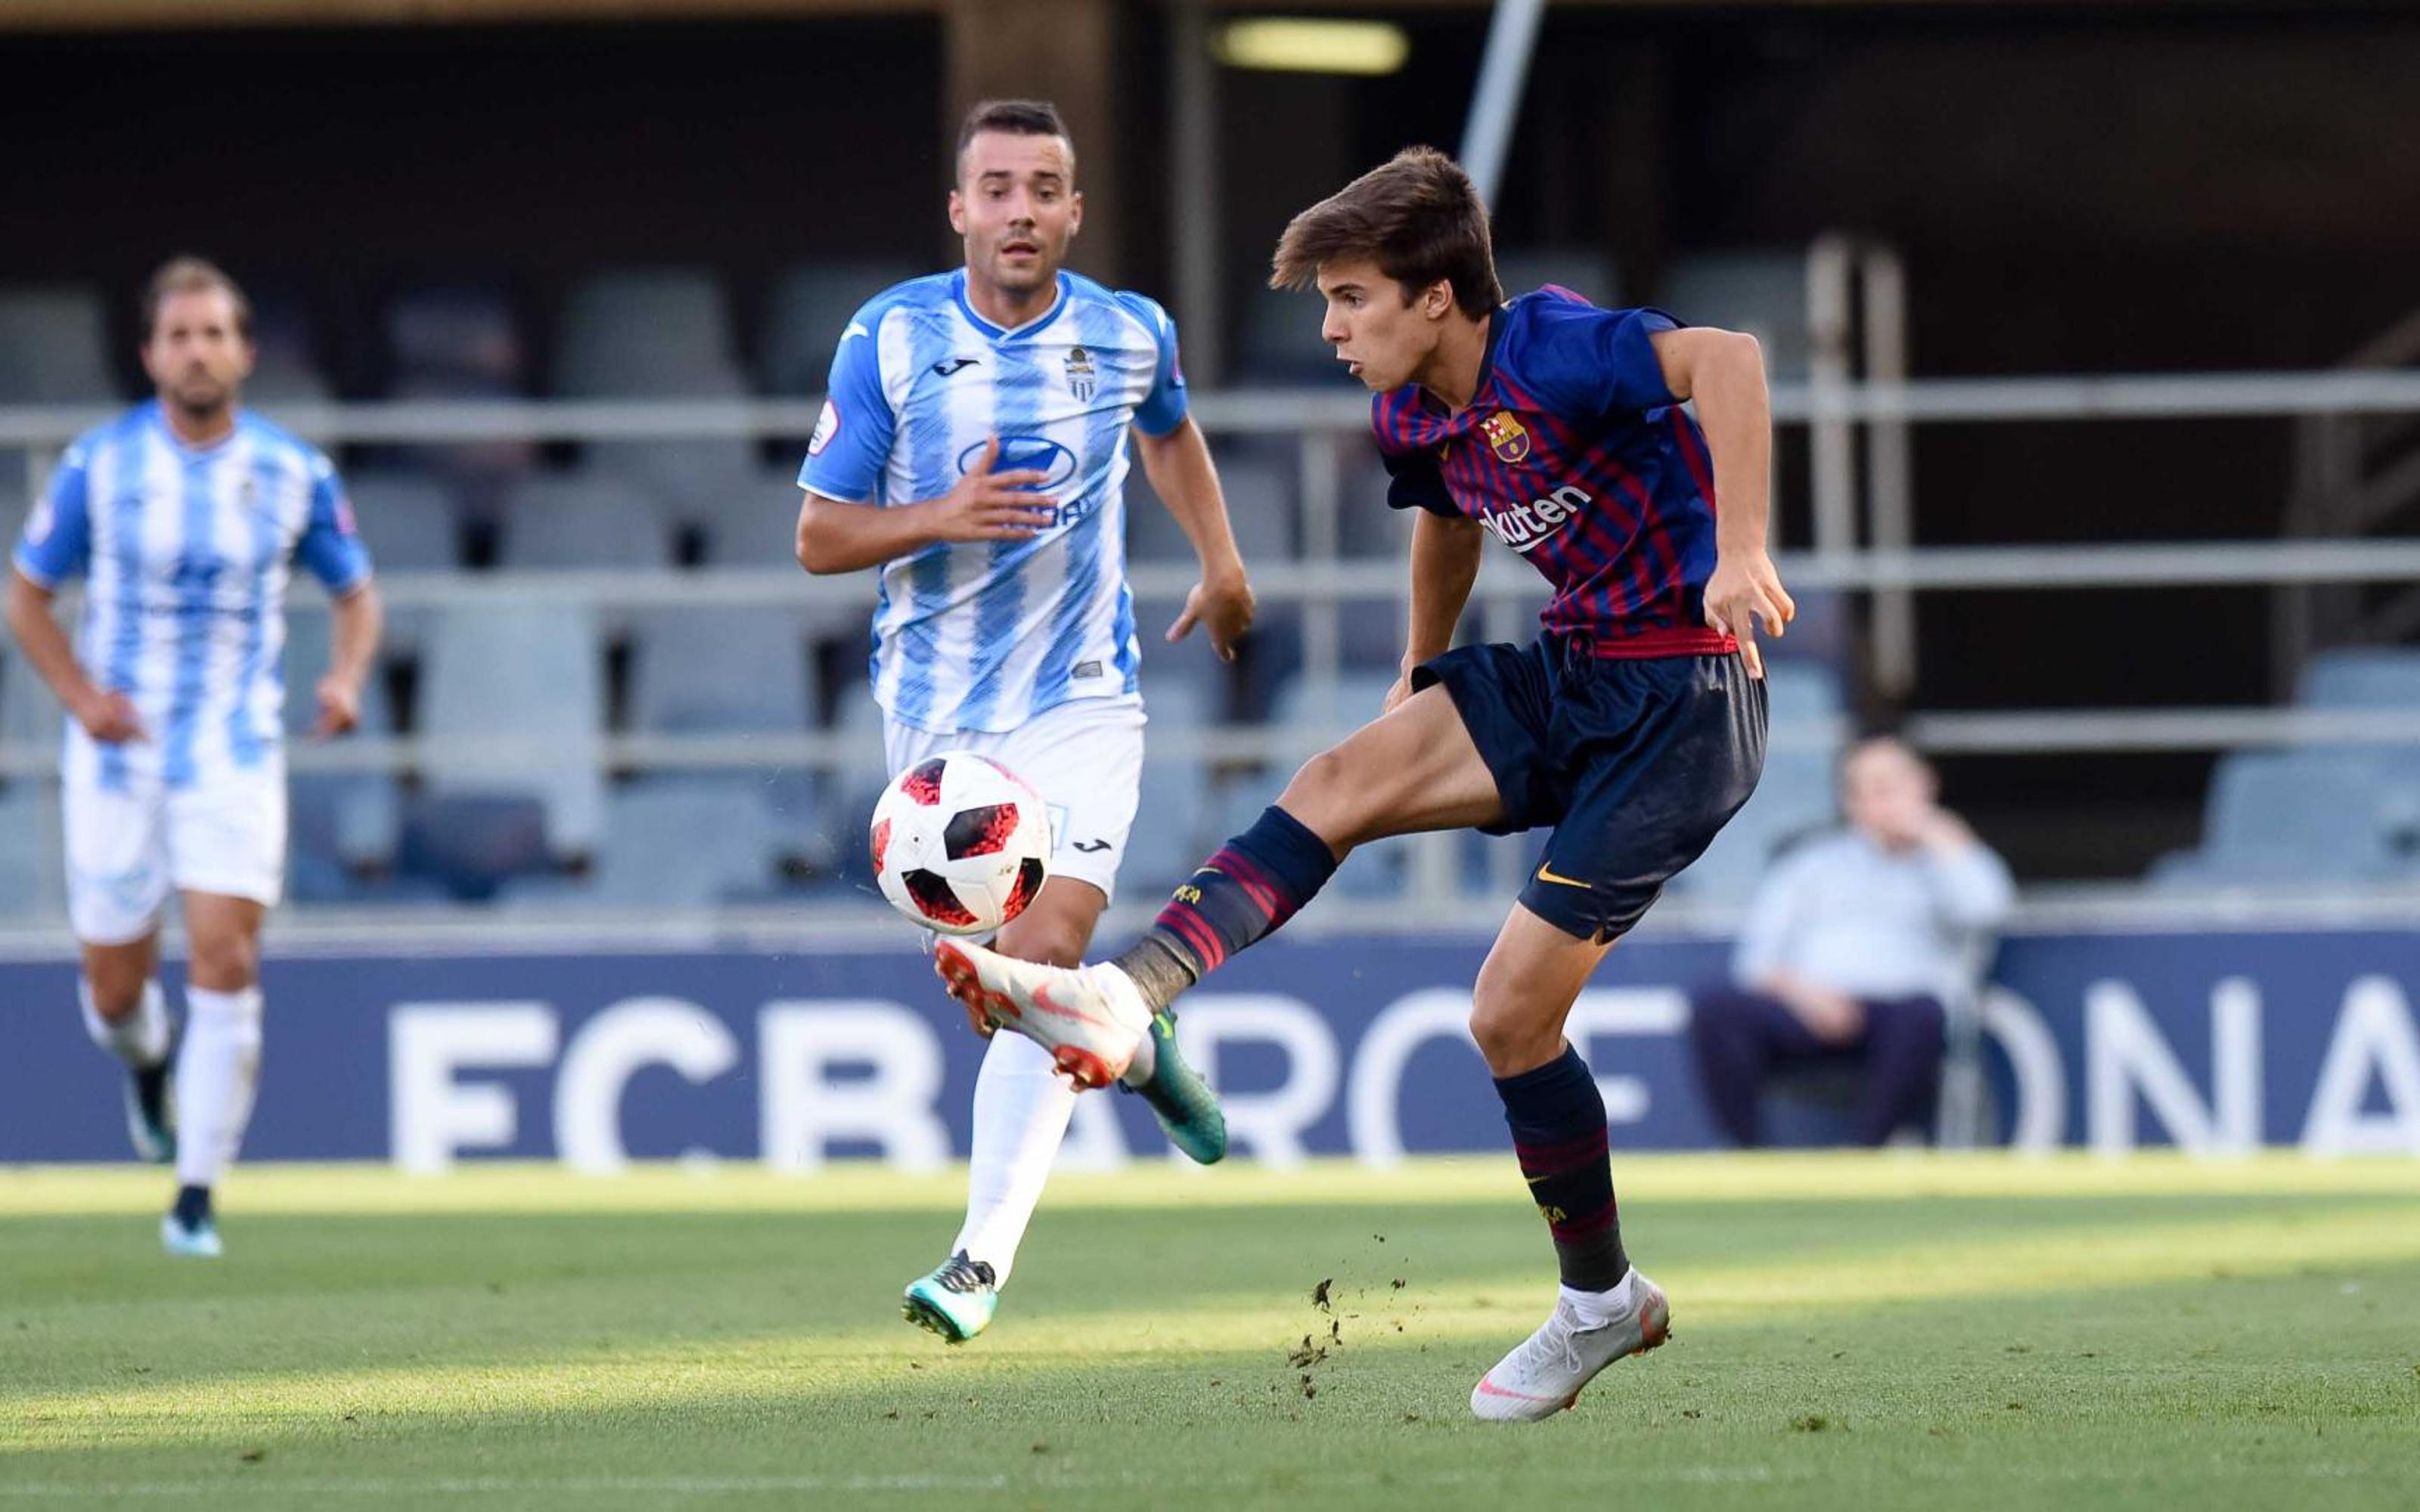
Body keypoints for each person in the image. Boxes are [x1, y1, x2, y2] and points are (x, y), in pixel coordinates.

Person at [929, 146, 1793, 1421]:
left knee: (1507, 1019)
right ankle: (1123, 996)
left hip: (1687, 698)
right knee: (1340, 773)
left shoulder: (1553, 346)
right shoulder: (1412, 408)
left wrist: (1742, 551)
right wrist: (1424, 667)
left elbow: (1731, 362)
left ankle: (1600, 1302)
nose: (1332, 330)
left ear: (1436, 296)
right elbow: (1448, 504)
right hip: (1579, 667)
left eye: (1351, 299)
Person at [795, 99, 1257, 1343]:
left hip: (1082, 705)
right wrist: (936, 516)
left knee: (1040, 962)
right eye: (994, 188)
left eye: (1042, 187)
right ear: (960, 210)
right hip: (939, 738)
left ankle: (976, 1264)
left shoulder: (1126, 331)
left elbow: (1170, 435)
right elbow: (819, 535)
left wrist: (1217, 557)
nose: (1018, 209)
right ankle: (1147, 1050)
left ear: (1073, 211)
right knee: (1001, 1000)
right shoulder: (888, 339)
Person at [4, 256, 382, 1258]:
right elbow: (26, 594)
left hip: (234, 750)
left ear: (245, 352)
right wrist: (83, 700)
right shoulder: (99, 466)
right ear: (149, 355)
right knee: (115, 993)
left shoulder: (296, 472)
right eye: (180, 335)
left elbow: (357, 592)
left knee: (225, 955)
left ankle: (195, 1198)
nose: (198, 351)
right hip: (121, 761)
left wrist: (344, 680)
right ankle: (146, 1067)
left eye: (215, 333)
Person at [1687, 736, 2014, 1148]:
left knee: (1924, 1015)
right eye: (1869, 789)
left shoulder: (1952, 861)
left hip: (1901, 1018)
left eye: (1893, 785)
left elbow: (1986, 909)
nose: (1884, 801)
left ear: (1925, 784)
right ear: (1852, 802)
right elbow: (1755, 962)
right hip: (1808, 1009)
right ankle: (1752, 1158)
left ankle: (1864, 1156)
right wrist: (1808, 997)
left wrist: (1940, 835)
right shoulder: (1810, 865)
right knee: (1717, 1009)